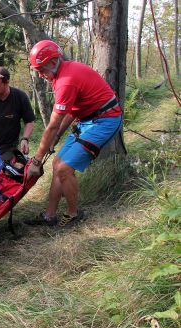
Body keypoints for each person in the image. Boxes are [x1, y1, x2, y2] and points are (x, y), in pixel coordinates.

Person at [26, 40, 123, 227]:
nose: (39, 74)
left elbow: (52, 125)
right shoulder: (59, 75)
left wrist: (36, 161)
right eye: (36, 70)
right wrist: (56, 137)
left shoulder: (66, 80)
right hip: (87, 119)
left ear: (53, 62)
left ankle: (74, 214)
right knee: (56, 164)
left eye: (41, 69)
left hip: (105, 120)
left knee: (64, 168)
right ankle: (49, 215)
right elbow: (72, 110)